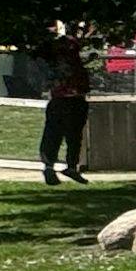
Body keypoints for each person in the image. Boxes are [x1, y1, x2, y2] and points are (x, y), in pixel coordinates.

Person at [34, 30, 98, 184]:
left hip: (67, 101)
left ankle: (60, 167)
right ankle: (59, 167)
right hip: (67, 101)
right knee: (65, 136)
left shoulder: (60, 63)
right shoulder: (63, 63)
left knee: (63, 135)